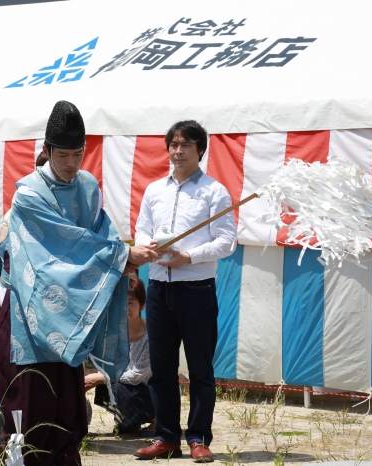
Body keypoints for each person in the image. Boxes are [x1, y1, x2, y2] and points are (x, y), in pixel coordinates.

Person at [0, 100, 158, 466]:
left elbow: (102, 234)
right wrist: (121, 257)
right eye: (63, 154)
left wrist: (127, 253)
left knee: (65, 405)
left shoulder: (88, 187)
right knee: (29, 405)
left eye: (77, 154)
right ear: (47, 151)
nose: (71, 163)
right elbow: (58, 251)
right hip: (26, 314)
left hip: (67, 315)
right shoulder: (29, 195)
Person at [133, 120, 237, 462]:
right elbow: (141, 231)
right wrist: (147, 250)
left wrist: (188, 256)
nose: (178, 151)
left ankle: (198, 438)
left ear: (200, 150)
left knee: (200, 369)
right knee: (161, 367)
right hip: (159, 288)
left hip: (197, 290)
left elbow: (227, 242)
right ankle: (166, 436)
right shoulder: (153, 191)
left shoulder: (214, 191)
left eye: (186, 145)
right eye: (174, 144)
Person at [84, 275, 155, 434]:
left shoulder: (149, 335)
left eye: (130, 303)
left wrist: (100, 378)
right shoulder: (115, 331)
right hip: (131, 387)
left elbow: (138, 376)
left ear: (142, 306)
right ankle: (133, 419)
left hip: (150, 390)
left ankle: (156, 417)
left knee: (107, 381)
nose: (124, 307)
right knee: (105, 383)